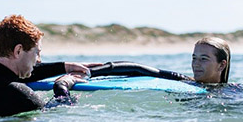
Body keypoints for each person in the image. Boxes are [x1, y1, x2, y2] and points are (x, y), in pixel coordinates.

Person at [0, 14, 92, 118]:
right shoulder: (18, 93)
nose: (39, 60)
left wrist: (65, 67)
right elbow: (59, 111)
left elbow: (24, 74)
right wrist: (62, 85)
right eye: (36, 53)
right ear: (18, 51)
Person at [88, 37, 231, 85]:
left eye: (204, 59)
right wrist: (89, 72)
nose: (196, 64)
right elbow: (137, 68)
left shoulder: (236, 92)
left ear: (221, 65)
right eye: (194, 58)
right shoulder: (183, 81)